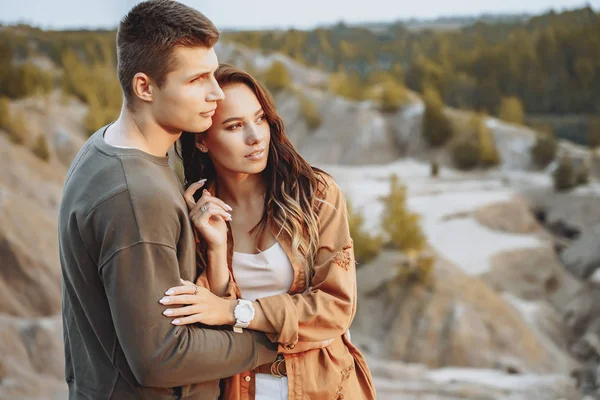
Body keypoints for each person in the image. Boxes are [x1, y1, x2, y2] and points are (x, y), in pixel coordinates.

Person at [58, 2, 277, 399]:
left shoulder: (102, 148)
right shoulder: (136, 196)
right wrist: (273, 340)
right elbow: (161, 357)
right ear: (145, 87)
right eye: (196, 80)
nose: (215, 93)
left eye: (213, 72)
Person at [161, 64, 376, 399]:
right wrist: (216, 250)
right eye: (234, 126)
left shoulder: (316, 195)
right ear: (203, 140)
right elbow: (208, 325)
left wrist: (238, 312)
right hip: (242, 388)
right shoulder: (197, 214)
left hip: (325, 386)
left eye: (260, 119)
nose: (255, 137)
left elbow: (335, 308)